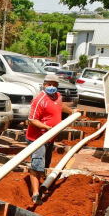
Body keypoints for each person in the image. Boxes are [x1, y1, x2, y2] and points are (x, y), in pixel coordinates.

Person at [26, 74, 79, 204]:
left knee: (45, 164)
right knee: (37, 164)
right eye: (49, 84)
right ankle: (35, 194)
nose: (52, 87)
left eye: (54, 85)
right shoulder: (40, 100)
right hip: (38, 138)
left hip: (50, 138)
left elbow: (60, 106)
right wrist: (47, 128)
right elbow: (32, 120)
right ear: (44, 85)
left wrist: (72, 112)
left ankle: (43, 186)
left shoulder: (58, 96)